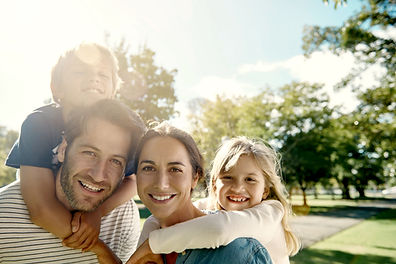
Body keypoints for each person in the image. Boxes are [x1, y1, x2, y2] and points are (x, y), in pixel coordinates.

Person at [5, 42, 137, 251]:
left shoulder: (123, 130)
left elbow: (134, 179)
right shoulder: (39, 124)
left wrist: (97, 213)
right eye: (80, 71)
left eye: (103, 75)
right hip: (42, 198)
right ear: (57, 87)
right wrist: (99, 250)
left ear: (113, 91)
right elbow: (41, 209)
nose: (94, 78)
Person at [0, 99, 146, 263]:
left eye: (115, 161)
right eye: (90, 153)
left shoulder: (123, 215)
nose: (98, 176)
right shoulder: (4, 215)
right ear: (62, 150)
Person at [132, 137, 300, 264]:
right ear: (214, 184)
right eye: (227, 177)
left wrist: (152, 244)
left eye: (250, 180)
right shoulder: (209, 206)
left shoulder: (271, 212)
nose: (237, 188)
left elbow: (220, 229)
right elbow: (161, 217)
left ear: (265, 190)